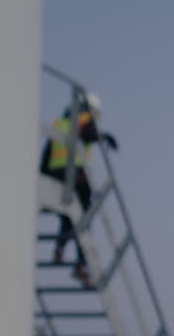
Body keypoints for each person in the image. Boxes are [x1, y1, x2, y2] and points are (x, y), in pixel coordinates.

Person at [39, 92, 117, 287]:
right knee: (83, 219)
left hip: (56, 176)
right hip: (76, 176)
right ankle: (81, 265)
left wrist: (42, 178)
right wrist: (103, 136)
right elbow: (88, 134)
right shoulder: (84, 119)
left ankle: (59, 250)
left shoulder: (60, 123)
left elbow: (47, 153)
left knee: (67, 216)